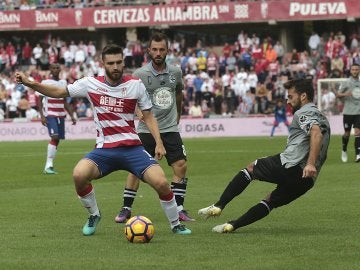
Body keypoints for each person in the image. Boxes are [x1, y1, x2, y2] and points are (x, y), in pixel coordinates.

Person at [15, 44, 191, 236]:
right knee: (78, 175)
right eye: (110, 63)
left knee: (162, 183)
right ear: (103, 64)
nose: (115, 67)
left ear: (123, 62)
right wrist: (29, 83)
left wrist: (158, 142)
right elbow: (58, 92)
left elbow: (148, 116)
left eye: (118, 62)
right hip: (104, 150)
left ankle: (176, 224)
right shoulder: (90, 84)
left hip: (133, 149)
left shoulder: (135, 85)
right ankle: (94, 214)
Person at [198, 77, 330, 233]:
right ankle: (231, 226)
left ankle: (219, 205)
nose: (288, 101)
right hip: (307, 181)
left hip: (291, 165)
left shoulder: (304, 112)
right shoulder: (324, 119)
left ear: (303, 96)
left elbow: (316, 133)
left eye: (291, 96)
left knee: (251, 168)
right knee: (270, 201)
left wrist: (310, 163)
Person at [115, 32, 195, 224]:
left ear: (167, 51)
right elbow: (129, 97)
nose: (158, 53)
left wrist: (179, 114)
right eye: (155, 49)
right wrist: (136, 111)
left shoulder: (176, 72)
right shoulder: (140, 75)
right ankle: (126, 208)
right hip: (146, 129)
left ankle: (179, 208)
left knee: (180, 165)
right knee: (136, 169)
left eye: (162, 49)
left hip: (169, 127)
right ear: (149, 51)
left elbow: (178, 93)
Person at [38, 63, 77, 174]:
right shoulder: (45, 83)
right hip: (50, 114)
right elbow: (39, 100)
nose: (55, 69)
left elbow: (64, 101)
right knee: (54, 136)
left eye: (57, 68)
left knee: (57, 139)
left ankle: (49, 166)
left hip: (60, 115)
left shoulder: (63, 83)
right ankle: (48, 166)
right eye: (53, 68)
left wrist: (72, 115)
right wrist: (42, 116)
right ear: (50, 69)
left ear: (60, 69)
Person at [336, 63, 360, 163]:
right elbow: (338, 94)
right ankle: (344, 149)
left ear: (359, 71)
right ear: (350, 71)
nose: (355, 71)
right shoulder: (346, 82)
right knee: (347, 134)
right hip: (348, 112)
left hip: (358, 111)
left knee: (358, 132)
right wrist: (346, 94)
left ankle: (358, 154)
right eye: (353, 69)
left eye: (357, 69)